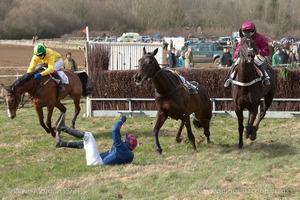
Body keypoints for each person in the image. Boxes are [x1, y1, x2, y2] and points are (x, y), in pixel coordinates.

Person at [56, 116, 138, 166]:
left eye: (124, 137)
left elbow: (114, 130)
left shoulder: (121, 147)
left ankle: (63, 128)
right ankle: (61, 143)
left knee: (88, 136)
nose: (122, 137)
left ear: (126, 142)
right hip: (98, 162)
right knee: (87, 143)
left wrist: (121, 121)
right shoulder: (130, 156)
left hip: (97, 162)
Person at [224, 21, 271, 87]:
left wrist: (259, 51)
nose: (247, 34)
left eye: (249, 32)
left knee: (258, 62)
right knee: (236, 62)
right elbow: (239, 48)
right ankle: (229, 78)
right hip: (245, 55)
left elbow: (267, 51)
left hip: (257, 55)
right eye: (246, 32)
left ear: (253, 31)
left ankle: (265, 78)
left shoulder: (261, 38)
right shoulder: (243, 39)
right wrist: (236, 54)